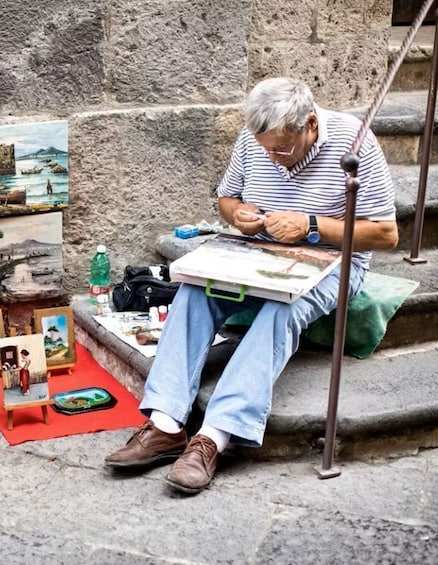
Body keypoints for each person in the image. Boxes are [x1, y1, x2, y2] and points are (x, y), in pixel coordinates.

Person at [104, 77, 398, 495]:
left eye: (281, 149)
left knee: (283, 307)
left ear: (310, 124)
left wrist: (312, 225)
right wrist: (237, 213)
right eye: (265, 149)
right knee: (193, 290)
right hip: (254, 250)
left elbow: (386, 234)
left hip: (331, 260)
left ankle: (214, 437)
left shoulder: (356, 144)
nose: (273, 159)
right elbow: (228, 199)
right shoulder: (255, 137)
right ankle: (166, 424)